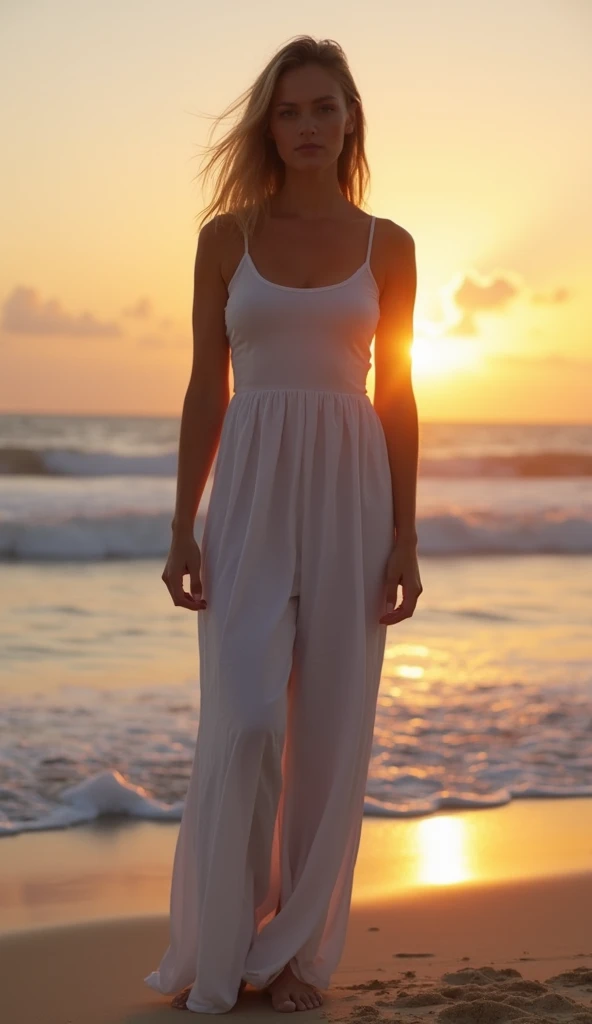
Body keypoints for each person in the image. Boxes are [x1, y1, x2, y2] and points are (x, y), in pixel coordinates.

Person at [145, 34, 422, 1015]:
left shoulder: (387, 244)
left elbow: (396, 394)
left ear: (351, 120)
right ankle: (219, 947)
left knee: (334, 727)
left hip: (352, 495)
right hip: (252, 495)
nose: (307, 125)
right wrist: (182, 524)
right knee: (248, 721)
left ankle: (296, 957)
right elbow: (202, 387)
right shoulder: (227, 237)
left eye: (323, 108)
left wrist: (406, 534)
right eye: (289, 110)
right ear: (269, 124)